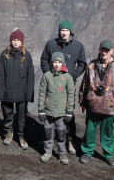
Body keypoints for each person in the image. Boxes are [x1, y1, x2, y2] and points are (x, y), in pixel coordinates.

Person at [78, 40, 114, 166]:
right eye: (102, 50)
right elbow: (84, 85)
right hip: (92, 104)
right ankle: (87, 152)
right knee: (89, 130)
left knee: (107, 133)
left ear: (112, 51)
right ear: (99, 50)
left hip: (109, 106)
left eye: (107, 50)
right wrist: (82, 102)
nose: (104, 52)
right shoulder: (92, 65)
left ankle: (109, 155)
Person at [40, 20, 86, 155]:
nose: (64, 33)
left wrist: (72, 77)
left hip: (68, 85)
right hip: (52, 85)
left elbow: (82, 63)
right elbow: (44, 59)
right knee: (51, 112)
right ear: (59, 32)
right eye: (62, 30)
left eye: (67, 30)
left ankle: (69, 140)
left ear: (70, 32)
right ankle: (50, 139)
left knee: (68, 113)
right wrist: (48, 74)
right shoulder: (51, 44)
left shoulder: (78, 46)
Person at [0, 29, 35, 150]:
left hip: (21, 93)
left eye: (18, 40)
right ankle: (8, 133)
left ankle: (21, 136)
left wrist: (29, 94)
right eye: (14, 40)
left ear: (22, 41)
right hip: (7, 91)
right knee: (7, 114)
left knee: (21, 115)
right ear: (10, 41)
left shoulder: (26, 55)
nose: (16, 43)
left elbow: (31, 75)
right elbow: (0, 75)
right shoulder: (4, 55)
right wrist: (0, 93)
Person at [38, 52, 75, 165]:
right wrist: (40, 109)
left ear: (63, 63)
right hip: (48, 111)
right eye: (55, 62)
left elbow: (71, 94)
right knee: (48, 133)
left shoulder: (67, 77)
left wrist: (69, 111)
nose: (57, 64)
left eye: (59, 62)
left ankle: (62, 153)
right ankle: (47, 152)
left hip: (61, 112)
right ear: (51, 63)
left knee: (61, 133)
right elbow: (42, 93)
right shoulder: (47, 76)